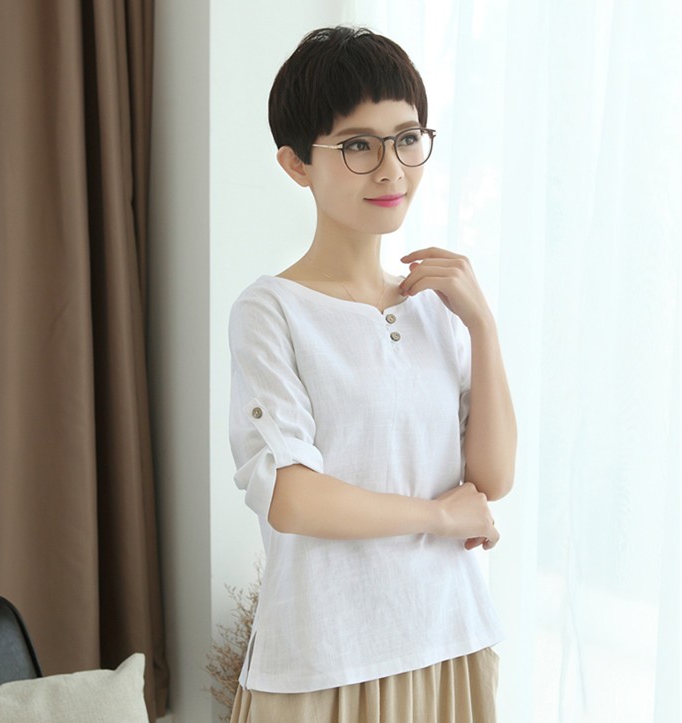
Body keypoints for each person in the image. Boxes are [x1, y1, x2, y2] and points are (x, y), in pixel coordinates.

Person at [227, 25, 517, 723]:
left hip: (450, 640)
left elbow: (492, 478)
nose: (392, 169)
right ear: (296, 164)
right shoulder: (271, 310)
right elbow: (293, 497)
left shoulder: (439, 308)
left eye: (407, 138)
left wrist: (483, 326)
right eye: (358, 145)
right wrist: (439, 516)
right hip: (326, 659)